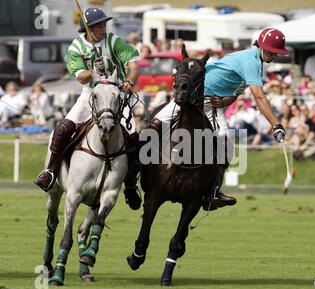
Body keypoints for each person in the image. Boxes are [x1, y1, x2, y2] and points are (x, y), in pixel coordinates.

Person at [149, 27, 288, 210]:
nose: (275, 55)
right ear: (261, 46)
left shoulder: (255, 63)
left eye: (277, 52)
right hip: (192, 98)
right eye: (272, 51)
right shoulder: (250, 60)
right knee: (154, 125)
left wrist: (225, 100)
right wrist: (276, 124)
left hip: (212, 107)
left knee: (224, 143)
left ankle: (213, 192)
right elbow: (259, 97)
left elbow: (236, 92)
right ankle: (134, 176)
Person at [33, 8, 142, 210]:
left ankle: (130, 185)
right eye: (99, 26)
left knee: (134, 135)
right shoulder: (77, 47)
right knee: (63, 128)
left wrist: (129, 81)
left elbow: (134, 66)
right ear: (88, 29)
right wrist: (93, 71)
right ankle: (49, 172)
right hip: (90, 96)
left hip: (115, 95)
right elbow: (81, 76)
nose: (103, 28)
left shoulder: (114, 41)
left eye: (104, 24)